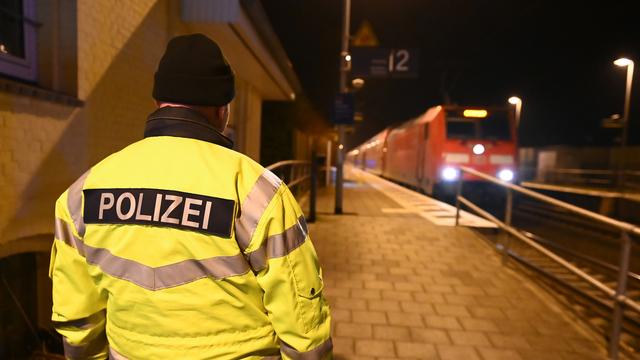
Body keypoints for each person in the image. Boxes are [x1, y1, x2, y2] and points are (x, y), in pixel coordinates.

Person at [49, 33, 332, 360]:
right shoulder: (260, 193)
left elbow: (77, 317)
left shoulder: (81, 194)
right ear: (223, 110)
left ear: (157, 101)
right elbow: (303, 322)